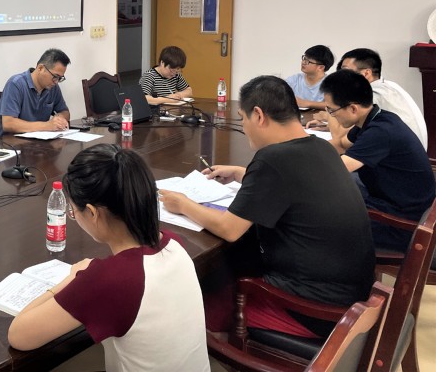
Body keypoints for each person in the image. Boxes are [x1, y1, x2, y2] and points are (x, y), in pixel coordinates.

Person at [159, 76, 374, 338]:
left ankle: (218, 338)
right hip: (352, 295)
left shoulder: (272, 159)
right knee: (238, 256)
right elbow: (295, 180)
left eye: (243, 118)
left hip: (315, 310)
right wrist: (243, 173)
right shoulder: (321, 147)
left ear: (259, 115)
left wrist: (183, 204)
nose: (244, 126)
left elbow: (229, 229)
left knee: (196, 300)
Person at [8, 144, 209, 372]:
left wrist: (74, 279)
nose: (74, 216)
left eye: (73, 211)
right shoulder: (174, 243)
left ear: (92, 213)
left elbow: (19, 335)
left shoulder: (110, 280)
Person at [321, 69, 435, 251]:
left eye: (331, 110)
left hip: (403, 223)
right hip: (394, 202)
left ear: (353, 108)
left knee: (317, 220)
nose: (331, 114)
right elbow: (341, 144)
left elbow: (336, 169)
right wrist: (304, 148)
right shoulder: (376, 118)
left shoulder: (380, 132)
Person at [337, 48, 428, 149]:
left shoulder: (372, 96)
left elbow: (340, 138)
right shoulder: (390, 85)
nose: (340, 76)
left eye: (345, 71)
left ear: (366, 74)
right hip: (415, 150)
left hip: (400, 153)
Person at [0, 49, 71, 137]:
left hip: (38, 141)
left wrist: (59, 119)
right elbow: (8, 123)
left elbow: (65, 112)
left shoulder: (53, 87)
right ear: (40, 68)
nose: (56, 82)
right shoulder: (16, 84)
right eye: (55, 76)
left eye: (60, 78)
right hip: (9, 142)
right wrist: (47, 125)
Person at [284, 45, 333, 110]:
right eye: (304, 58)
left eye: (308, 61)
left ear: (321, 67)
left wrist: (306, 103)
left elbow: (334, 105)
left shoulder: (330, 83)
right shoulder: (295, 79)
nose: (303, 62)